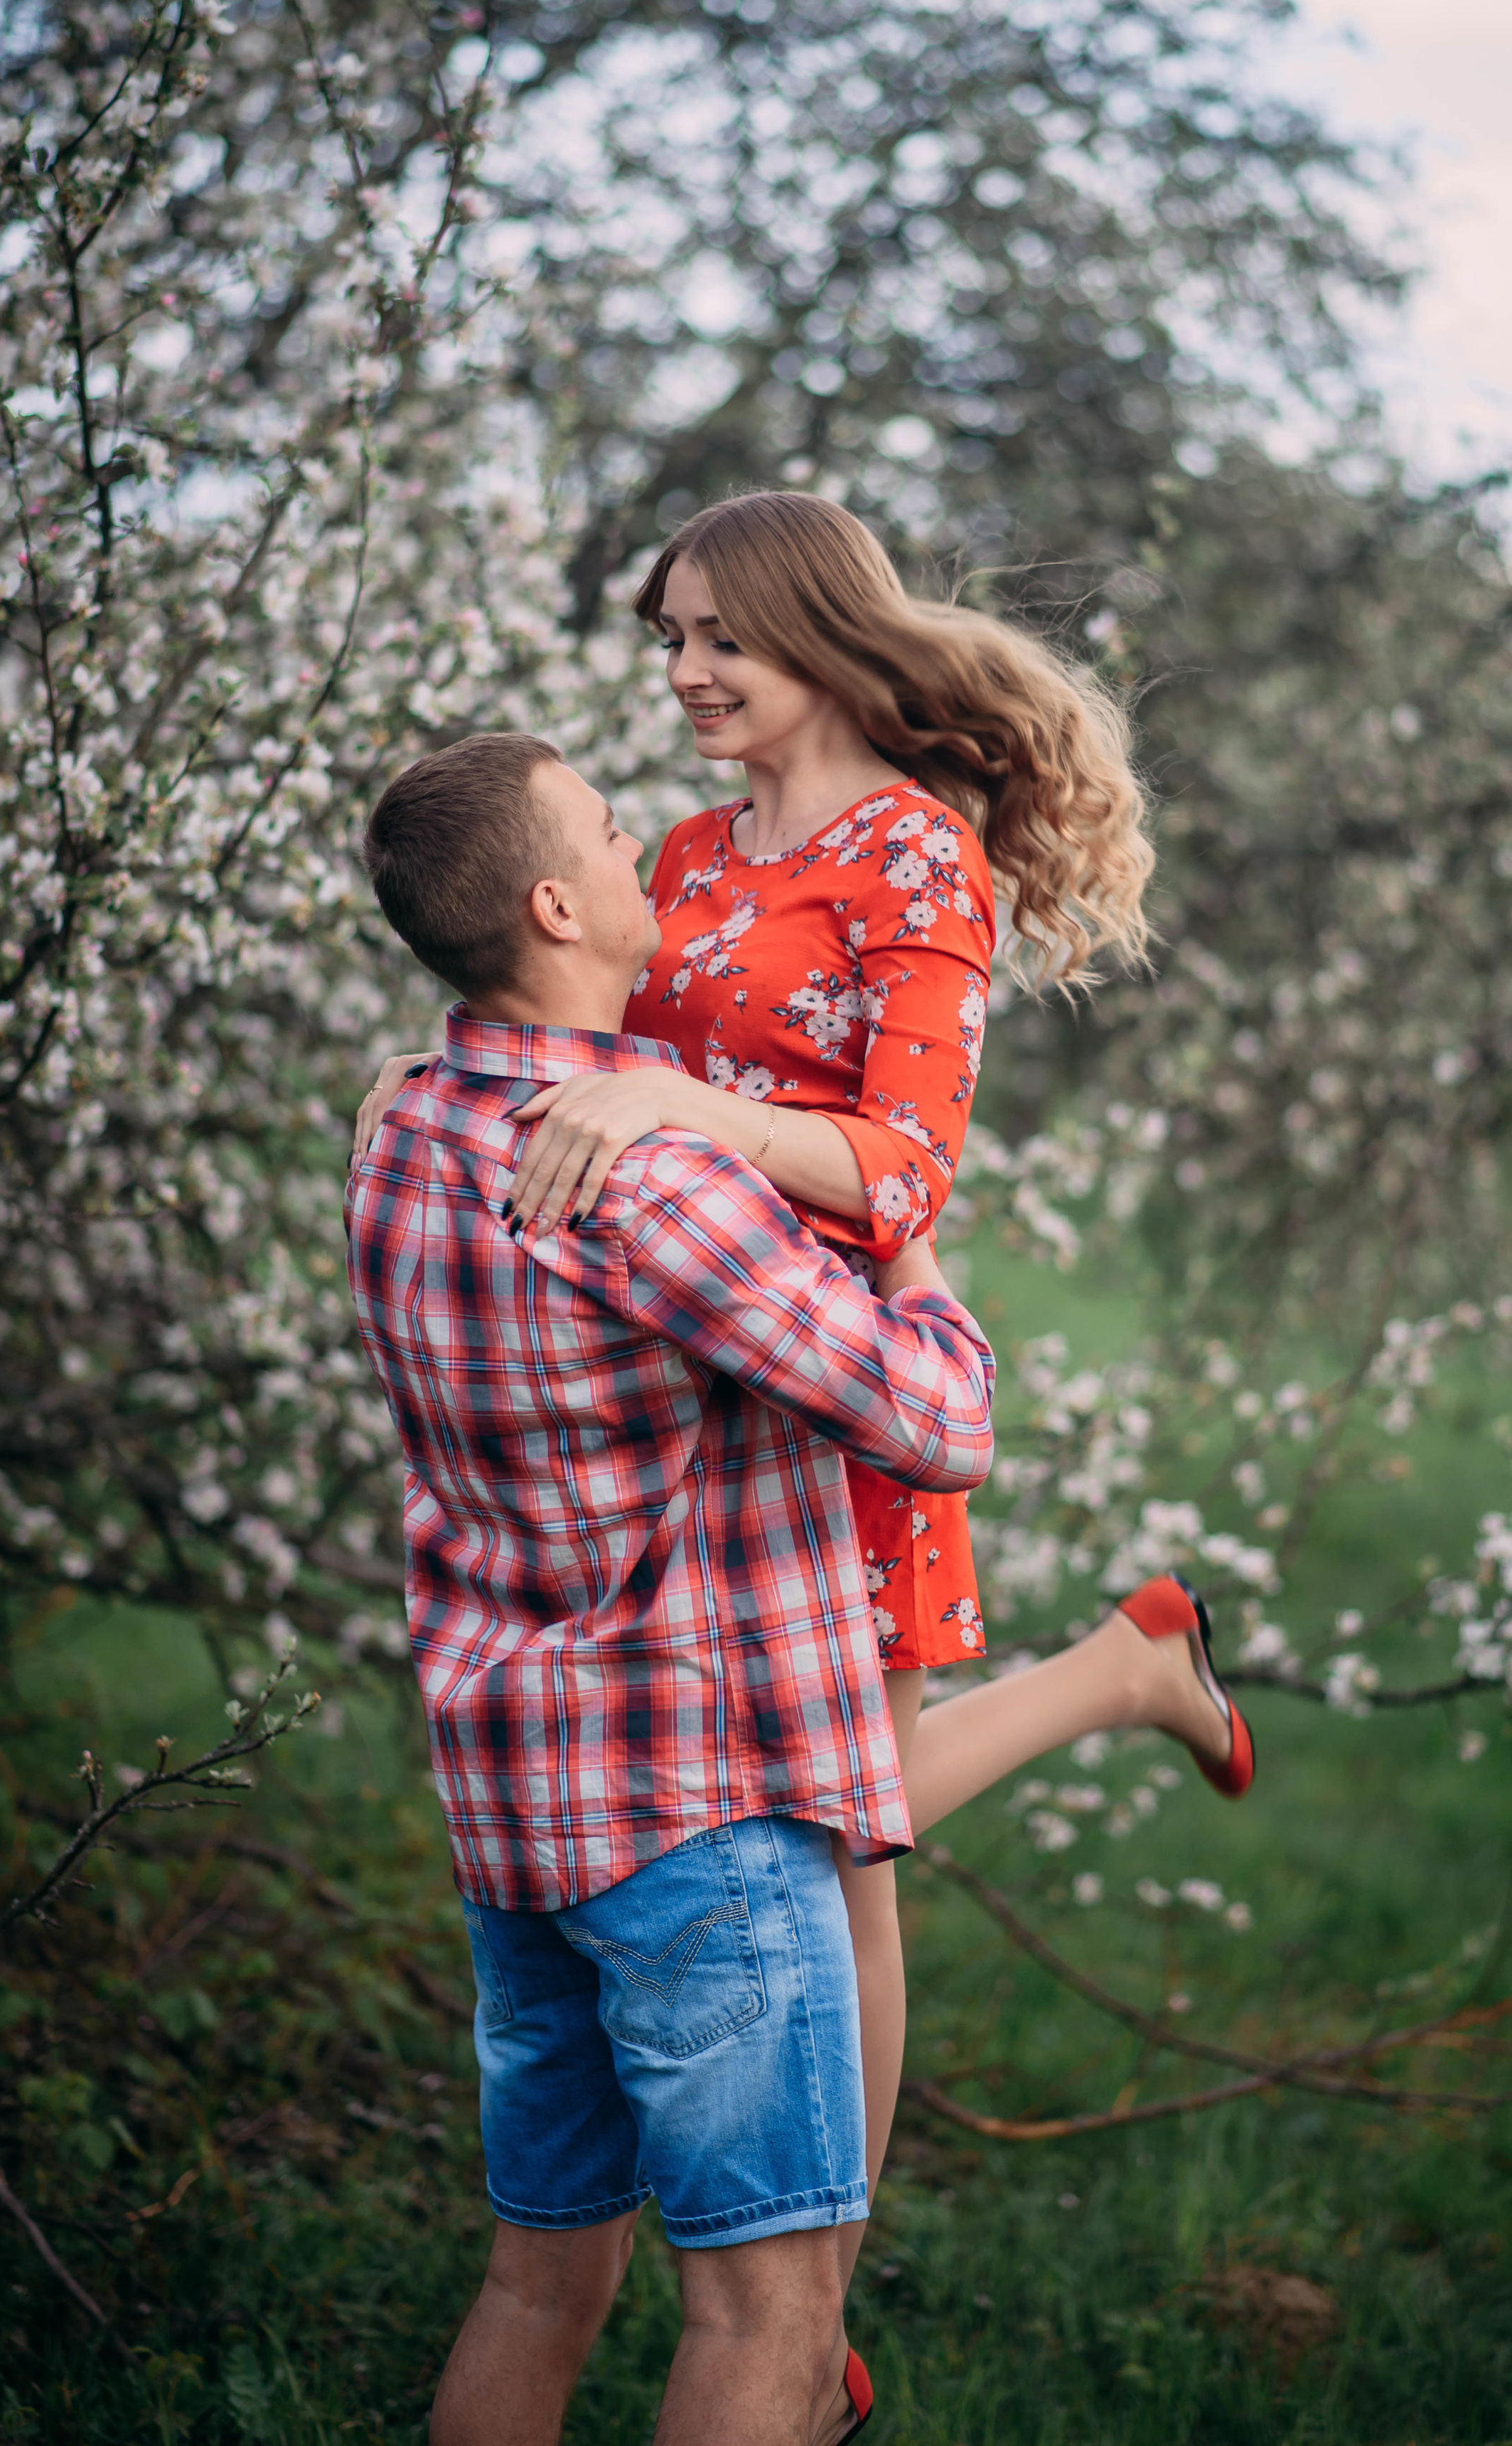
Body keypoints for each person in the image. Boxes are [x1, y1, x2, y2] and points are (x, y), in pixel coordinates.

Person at [354, 493, 1254, 2280]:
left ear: (817, 635)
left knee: (849, 1842)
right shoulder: (686, 853)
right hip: (693, 1377)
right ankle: (1120, 1668)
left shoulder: (915, 856)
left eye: (720, 637)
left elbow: (906, 1168)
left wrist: (688, 1110)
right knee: (811, 1808)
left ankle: (808, 2303)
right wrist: (444, 1073)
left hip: (842, 1385)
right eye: (669, 641)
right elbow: (576, 1039)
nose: (685, 673)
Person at [345, 728, 997, 2446]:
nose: (645, 846)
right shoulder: (653, 1182)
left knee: (534, 2284)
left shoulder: (397, 1127)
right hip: (694, 1818)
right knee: (768, 2317)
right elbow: (940, 1426)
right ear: (558, 907)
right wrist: (910, 1246)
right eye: (608, 830)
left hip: (514, 1816)